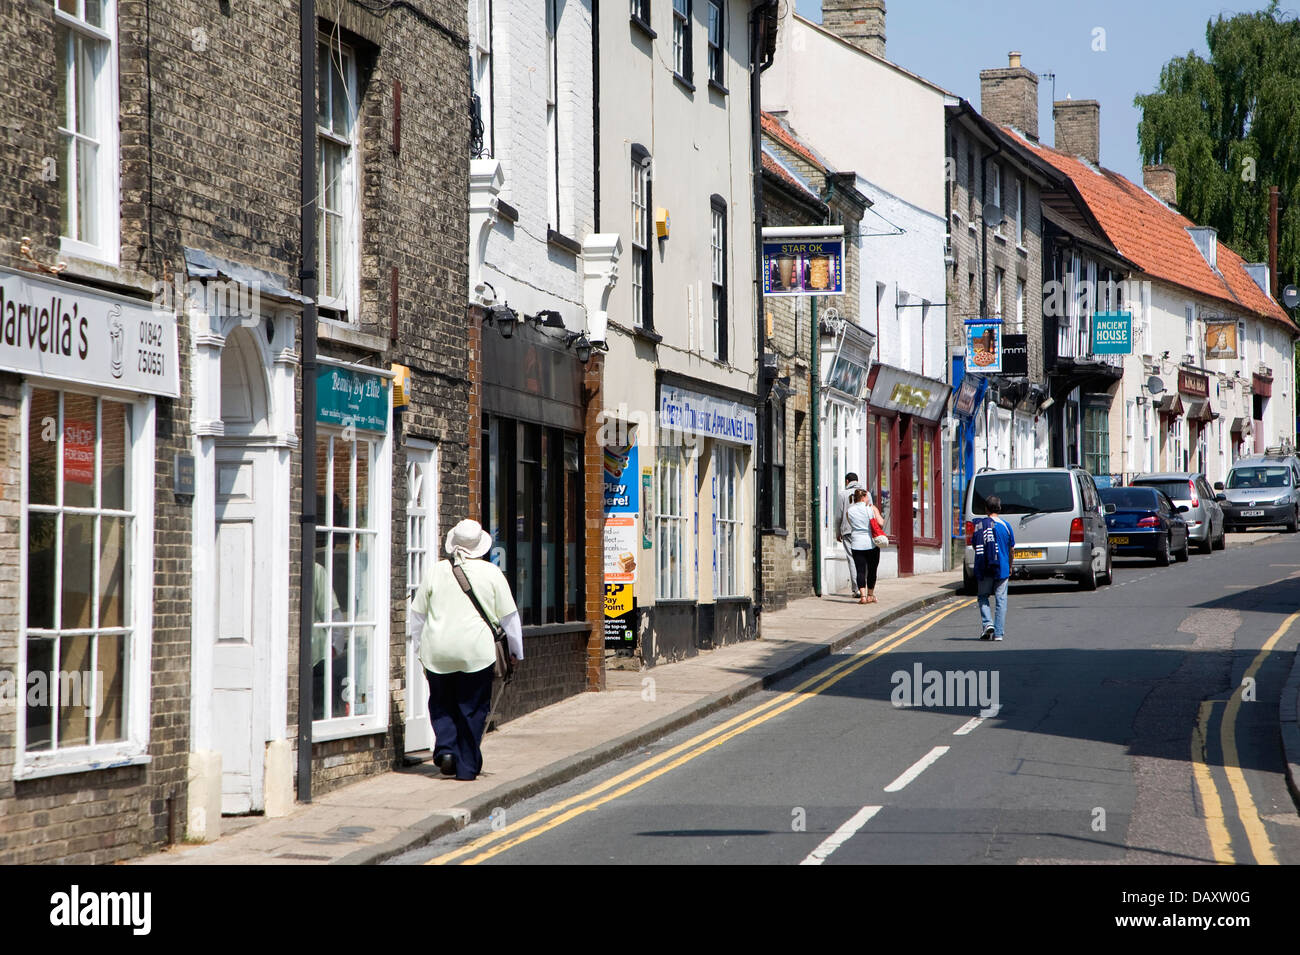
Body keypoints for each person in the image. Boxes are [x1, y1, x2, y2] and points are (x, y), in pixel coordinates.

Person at [407, 519, 523, 780]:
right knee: (472, 707)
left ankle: (446, 751)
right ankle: (467, 768)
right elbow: (509, 618)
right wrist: (516, 652)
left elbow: (417, 616)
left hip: (437, 650)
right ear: (480, 546)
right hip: (476, 652)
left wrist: (419, 647)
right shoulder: (492, 573)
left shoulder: (436, 571)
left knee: (441, 703)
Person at [972, 495, 1014, 641]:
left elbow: (975, 545)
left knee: (983, 596)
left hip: (985, 568)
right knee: (1001, 600)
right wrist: (1010, 565)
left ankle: (988, 623)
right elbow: (1011, 549)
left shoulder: (980, 525)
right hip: (1001, 568)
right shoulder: (1006, 526)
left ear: (986, 509)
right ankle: (998, 633)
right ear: (1000, 508)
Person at [844, 488, 882, 604]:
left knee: (860, 571)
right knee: (872, 570)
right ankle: (870, 595)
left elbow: (852, 525)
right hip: (871, 543)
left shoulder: (849, 511)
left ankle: (863, 597)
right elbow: (880, 523)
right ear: (864, 497)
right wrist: (876, 511)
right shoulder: (870, 509)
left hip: (856, 543)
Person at [835, 472, 867, 595]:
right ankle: (864, 587)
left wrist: (838, 532)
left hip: (848, 531)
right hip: (864, 531)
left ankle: (857, 589)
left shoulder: (842, 494)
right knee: (864, 560)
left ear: (847, 481)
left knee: (852, 559)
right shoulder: (866, 493)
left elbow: (839, 516)